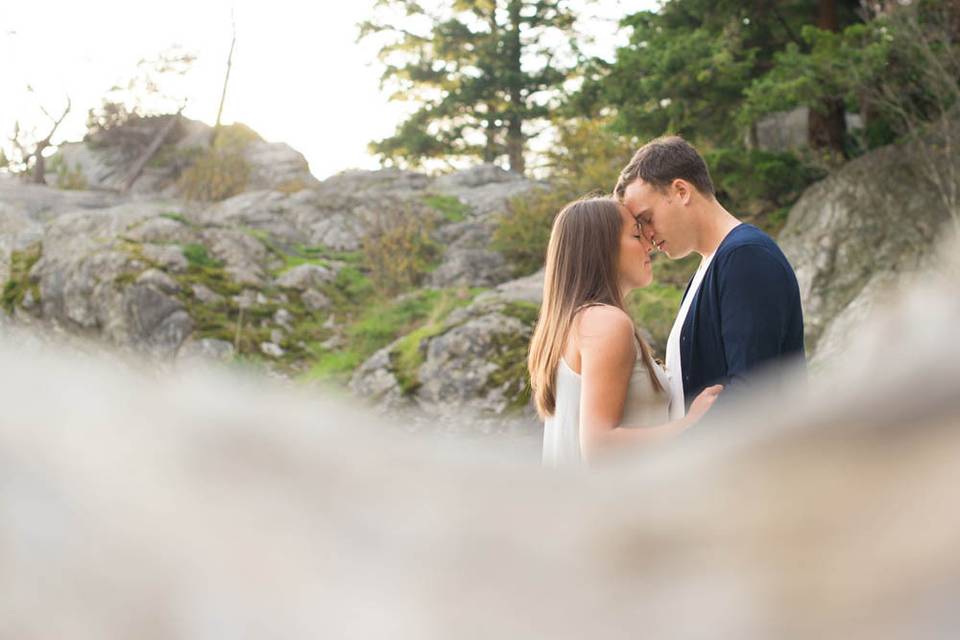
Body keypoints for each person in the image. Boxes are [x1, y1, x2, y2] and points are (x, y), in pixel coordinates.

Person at [614, 136, 804, 420]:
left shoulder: (746, 257)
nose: (648, 237)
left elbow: (753, 393)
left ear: (681, 191)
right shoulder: (710, 267)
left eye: (647, 218)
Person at [529, 197, 722, 467]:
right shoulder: (605, 322)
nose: (649, 245)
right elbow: (600, 446)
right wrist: (689, 424)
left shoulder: (575, 323)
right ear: (602, 249)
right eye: (636, 235)